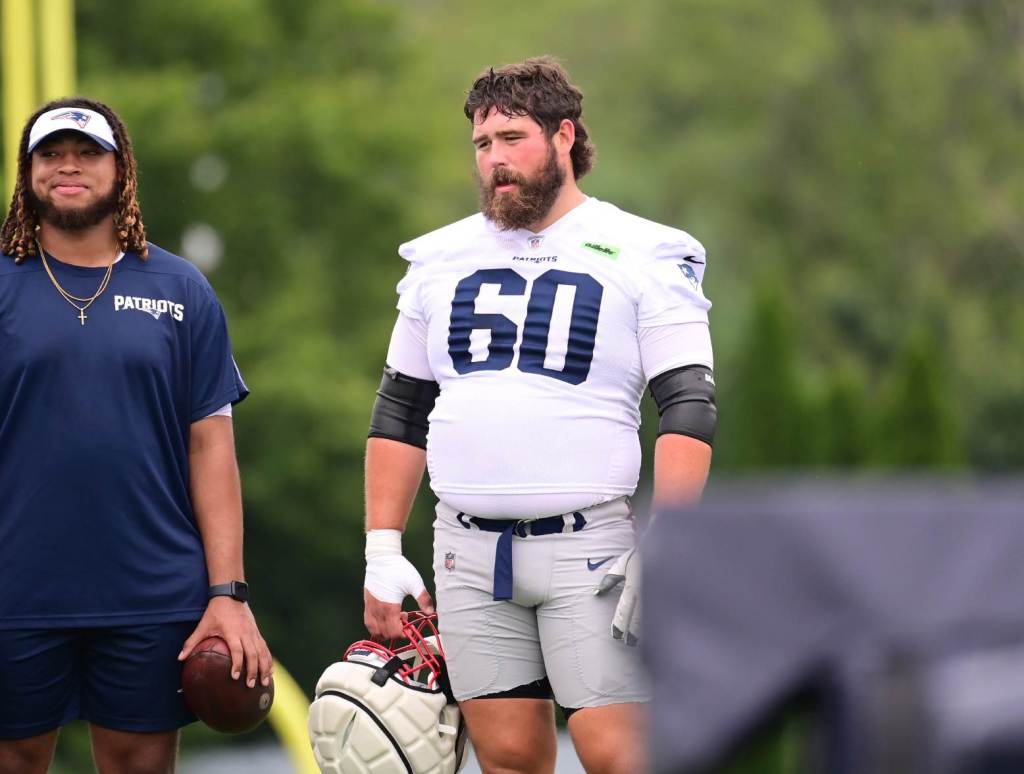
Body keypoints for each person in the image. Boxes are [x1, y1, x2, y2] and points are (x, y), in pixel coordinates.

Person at [362, 57, 716, 774]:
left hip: (592, 550)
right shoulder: (439, 257)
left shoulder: (648, 250)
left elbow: (688, 402)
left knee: (619, 756)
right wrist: (380, 547)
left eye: (512, 138)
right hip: (466, 551)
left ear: (564, 137)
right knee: (509, 758)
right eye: (482, 144)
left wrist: (671, 538)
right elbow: (401, 407)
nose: (495, 160)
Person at [0, 97, 271, 773]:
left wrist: (228, 595)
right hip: (15, 587)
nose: (68, 167)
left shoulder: (181, 289)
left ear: (120, 171)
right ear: (27, 172)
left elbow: (212, 450)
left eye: (88, 153)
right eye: (51, 154)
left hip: (151, 592)